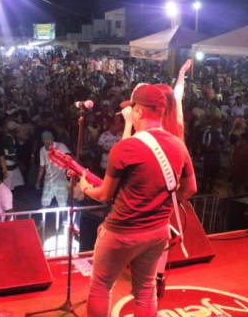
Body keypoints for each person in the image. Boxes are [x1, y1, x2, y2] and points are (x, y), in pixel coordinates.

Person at [79, 84, 196, 317]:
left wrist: (85, 189)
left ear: (140, 112)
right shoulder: (178, 145)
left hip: (122, 231)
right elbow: (190, 188)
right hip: (157, 231)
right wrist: (163, 205)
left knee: (101, 286)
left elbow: (104, 194)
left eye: (131, 108)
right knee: (145, 290)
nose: (129, 112)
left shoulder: (125, 148)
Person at [35, 131, 71, 208]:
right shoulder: (42, 150)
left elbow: (70, 159)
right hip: (48, 181)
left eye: (49, 139)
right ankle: (43, 220)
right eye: (45, 139)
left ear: (52, 138)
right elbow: (42, 166)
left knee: (63, 204)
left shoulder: (60, 146)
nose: (47, 141)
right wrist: (38, 180)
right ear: (43, 140)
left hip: (61, 181)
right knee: (44, 202)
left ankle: (64, 220)